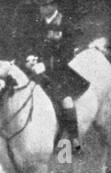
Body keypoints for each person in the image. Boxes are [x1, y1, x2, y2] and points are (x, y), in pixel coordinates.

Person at [28, 0, 89, 152]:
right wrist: (31, 57)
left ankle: (74, 141)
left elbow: (67, 55)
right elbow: (32, 45)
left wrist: (47, 65)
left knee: (66, 101)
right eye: (41, 5)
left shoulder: (65, 24)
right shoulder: (38, 23)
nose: (43, 8)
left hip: (59, 72)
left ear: (54, 5)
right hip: (38, 71)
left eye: (46, 5)